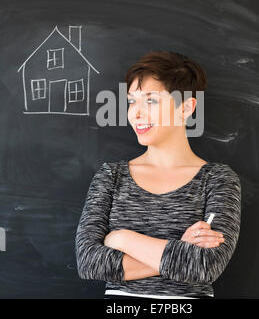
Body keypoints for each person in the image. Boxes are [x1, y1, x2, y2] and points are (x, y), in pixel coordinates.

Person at [75, 51, 241, 299]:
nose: (136, 113)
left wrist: (121, 238)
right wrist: (181, 250)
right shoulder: (111, 176)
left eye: (150, 101)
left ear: (186, 107)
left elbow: (205, 266)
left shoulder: (218, 180)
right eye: (132, 101)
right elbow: (89, 262)